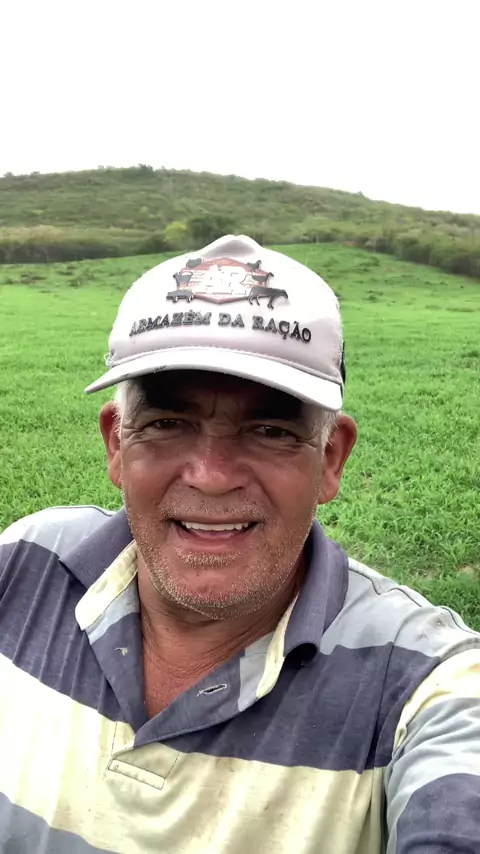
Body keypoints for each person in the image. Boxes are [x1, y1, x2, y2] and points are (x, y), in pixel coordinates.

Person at [0, 234, 479, 854]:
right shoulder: (26, 564)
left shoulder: (425, 680)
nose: (211, 474)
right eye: (167, 423)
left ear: (331, 459)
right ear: (117, 444)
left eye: (270, 430)